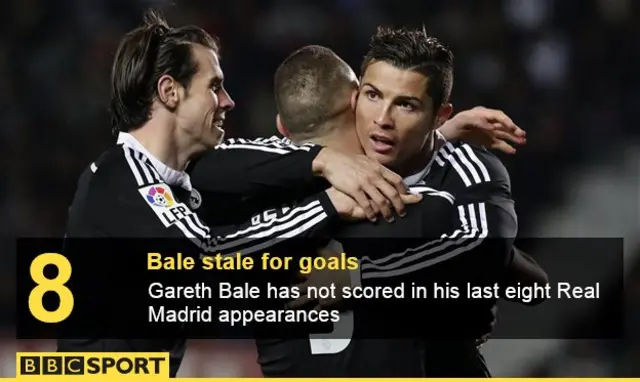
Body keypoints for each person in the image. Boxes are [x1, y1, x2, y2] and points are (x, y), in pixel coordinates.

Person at [57, 11, 422, 378]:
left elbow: (257, 169)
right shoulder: (123, 178)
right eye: (214, 86)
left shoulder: (175, 183)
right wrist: (328, 206)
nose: (227, 101)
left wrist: (424, 142)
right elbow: (207, 257)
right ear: (170, 92)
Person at [262, 34, 547, 377]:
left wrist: (359, 277)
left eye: (406, 105)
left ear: (439, 115)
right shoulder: (313, 167)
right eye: (373, 96)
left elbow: (496, 255)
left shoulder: (466, 171)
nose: (382, 119)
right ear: (354, 99)